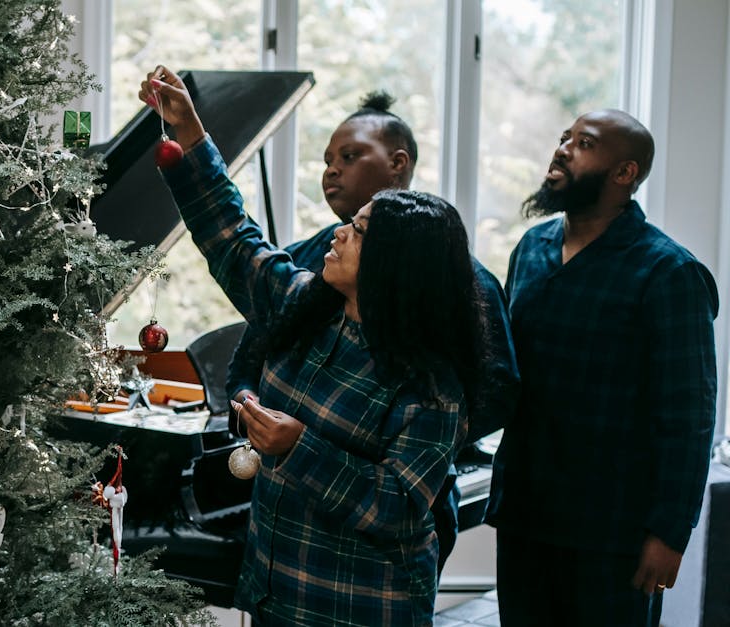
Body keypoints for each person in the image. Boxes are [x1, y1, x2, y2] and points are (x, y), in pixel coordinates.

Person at [141, 65, 486, 626]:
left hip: (359, 609)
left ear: (396, 266)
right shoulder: (302, 302)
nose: (340, 232)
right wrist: (188, 129)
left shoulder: (432, 387)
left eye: (360, 231)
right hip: (275, 593)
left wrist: (299, 447)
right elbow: (232, 234)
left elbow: (398, 509)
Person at [224, 92, 519, 575]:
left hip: (389, 522)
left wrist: (380, 439)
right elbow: (249, 358)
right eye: (327, 160)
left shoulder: (459, 280)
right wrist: (247, 405)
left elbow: (498, 390)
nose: (331, 171)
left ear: (398, 164)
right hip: (289, 512)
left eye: (349, 156)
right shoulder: (305, 257)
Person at [485, 109, 718, 627]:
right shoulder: (531, 249)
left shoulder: (669, 271)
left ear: (624, 173)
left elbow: (689, 416)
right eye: (564, 137)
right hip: (525, 513)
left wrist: (669, 533)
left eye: (584, 143)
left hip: (612, 530)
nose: (562, 149)